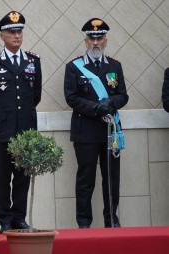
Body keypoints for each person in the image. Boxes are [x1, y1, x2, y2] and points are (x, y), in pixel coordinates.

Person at [0, 11, 42, 234]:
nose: (16, 36)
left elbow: (36, 96)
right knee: (3, 177)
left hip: (25, 129)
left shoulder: (33, 61)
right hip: (2, 130)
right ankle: (4, 218)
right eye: (11, 32)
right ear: (1, 35)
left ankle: (19, 217)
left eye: (19, 31)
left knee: (23, 177)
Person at [64, 18, 129, 228]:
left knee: (111, 179)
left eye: (99, 38)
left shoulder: (115, 66)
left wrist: (111, 102)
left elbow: (123, 96)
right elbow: (71, 98)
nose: (95, 42)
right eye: (91, 38)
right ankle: (84, 223)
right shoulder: (74, 67)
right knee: (86, 180)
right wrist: (95, 107)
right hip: (86, 131)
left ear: (105, 40)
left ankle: (111, 219)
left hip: (110, 131)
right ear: (85, 40)